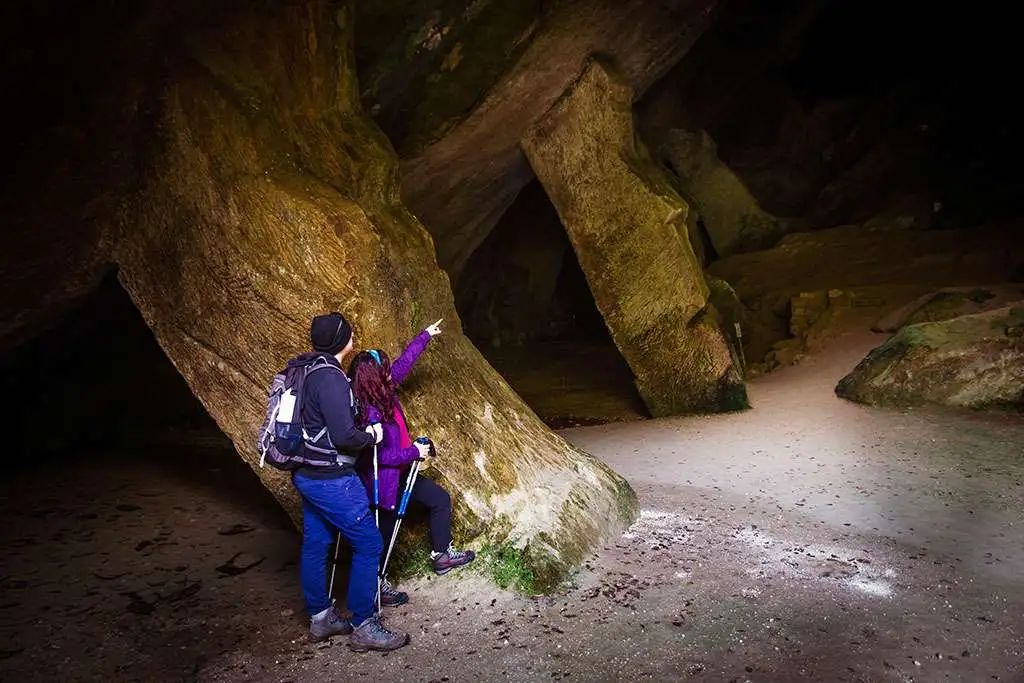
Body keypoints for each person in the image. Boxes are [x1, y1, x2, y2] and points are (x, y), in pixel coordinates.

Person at [290, 312, 409, 651]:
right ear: (342, 341)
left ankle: (320, 617)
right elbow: (344, 436)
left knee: (317, 543)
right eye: (350, 333)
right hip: (331, 479)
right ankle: (364, 624)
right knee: (369, 543)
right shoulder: (331, 378)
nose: (354, 336)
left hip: (306, 474)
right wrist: (370, 436)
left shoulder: (306, 371)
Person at [349, 317, 475, 606]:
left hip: (402, 475)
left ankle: (442, 556)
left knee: (439, 500)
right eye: (383, 369)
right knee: (379, 540)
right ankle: (374, 586)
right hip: (384, 485)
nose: (389, 372)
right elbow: (379, 457)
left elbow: (402, 366)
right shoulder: (369, 413)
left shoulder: (383, 391)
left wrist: (424, 336)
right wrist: (413, 453)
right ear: (373, 378)